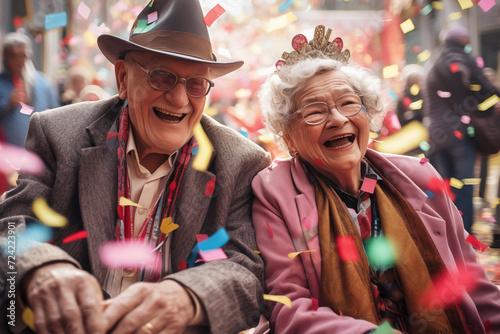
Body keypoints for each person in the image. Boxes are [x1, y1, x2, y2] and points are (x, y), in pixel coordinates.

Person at [0, 1, 270, 333]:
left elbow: (244, 268)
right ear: (124, 78)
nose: (181, 99)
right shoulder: (57, 134)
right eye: (162, 77)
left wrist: (186, 297)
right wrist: (42, 268)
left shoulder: (240, 161)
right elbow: (12, 226)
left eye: (197, 83)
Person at [252, 25, 500, 333]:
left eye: (348, 103)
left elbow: (472, 280)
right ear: (289, 136)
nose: (338, 119)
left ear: (368, 115)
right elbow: (287, 306)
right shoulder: (273, 191)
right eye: (315, 111)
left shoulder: (420, 175)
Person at [423, 25, 500, 234]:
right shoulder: (463, 59)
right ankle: (463, 237)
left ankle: (441, 234)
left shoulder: (432, 63)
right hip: (459, 135)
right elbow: (487, 91)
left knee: (443, 186)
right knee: (464, 186)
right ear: (464, 40)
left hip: (435, 136)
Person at [0, 32, 59, 147]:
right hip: (8, 152)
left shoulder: (44, 83)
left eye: (22, 55)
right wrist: (7, 105)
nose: (18, 60)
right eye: (13, 55)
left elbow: (56, 115)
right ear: (5, 56)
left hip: (40, 150)